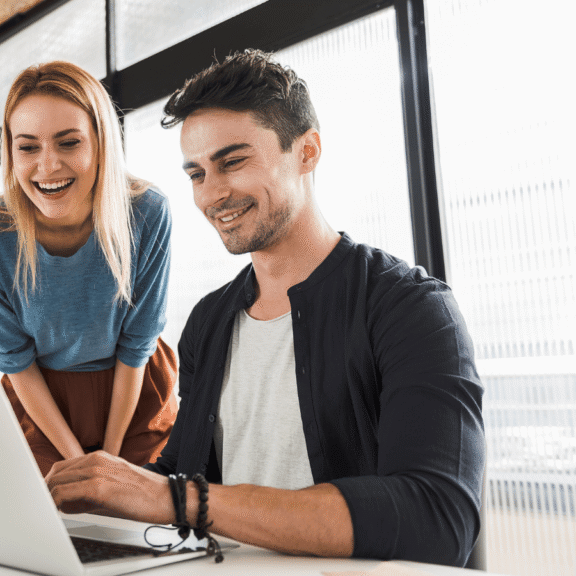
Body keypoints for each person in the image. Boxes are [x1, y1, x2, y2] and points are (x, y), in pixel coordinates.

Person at [45, 49, 485, 567]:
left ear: (308, 151)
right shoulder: (210, 320)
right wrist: (99, 490)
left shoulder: (410, 308)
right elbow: (182, 474)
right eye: (196, 174)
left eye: (233, 161)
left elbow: (435, 518)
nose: (213, 194)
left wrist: (175, 498)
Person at [0, 61, 177, 478]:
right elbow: (16, 362)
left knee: (139, 516)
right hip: (42, 403)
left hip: (134, 391)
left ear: (100, 143)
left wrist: (109, 461)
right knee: (56, 523)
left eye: (68, 143)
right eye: (28, 147)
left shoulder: (148, 213)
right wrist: (79, 461)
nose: (47, 166)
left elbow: (137, 345)